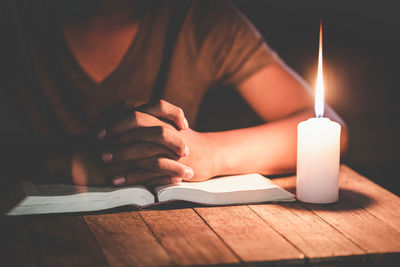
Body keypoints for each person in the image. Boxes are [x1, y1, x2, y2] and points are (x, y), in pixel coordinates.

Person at [0, 0, 348, 187]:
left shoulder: (201, 19)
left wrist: (209, 153)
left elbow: (327, 125)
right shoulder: (15, 18)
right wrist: (71, 159)